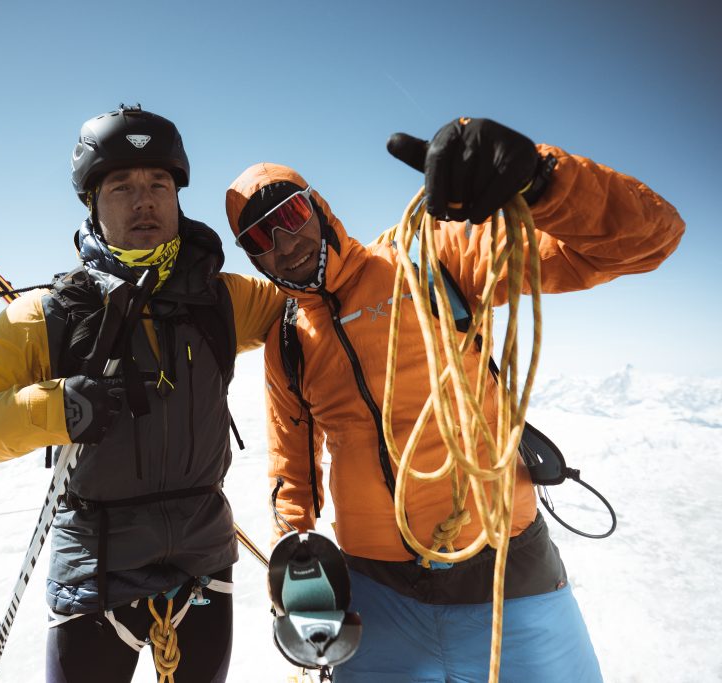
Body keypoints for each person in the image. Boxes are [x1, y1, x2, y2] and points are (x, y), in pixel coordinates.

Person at [224, 117, 684, 682]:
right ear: (253, 257)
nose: (285, 242)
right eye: (260, 239)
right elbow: (291, 466)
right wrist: (294, 547)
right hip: (376, 598)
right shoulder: (289, 338)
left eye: (292, 216)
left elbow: (645, 241)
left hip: (506, 581)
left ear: (318, 208)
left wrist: (542, 182)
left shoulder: (427, 261)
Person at [0, 105, 283, 683]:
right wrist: (51, 409)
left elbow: (320, 301)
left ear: (178, 197)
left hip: (202, 564)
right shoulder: (47, 317)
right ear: (93, 202)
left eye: (159, 183)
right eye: (121, 186)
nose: (144, 201)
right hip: (93, 573)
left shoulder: (222, 300)